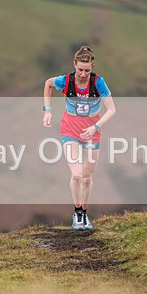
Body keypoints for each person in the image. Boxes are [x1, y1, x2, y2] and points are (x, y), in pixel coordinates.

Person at [42, 46, 116, 230]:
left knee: (87, 178)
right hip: (70, 132)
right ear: (74, 65)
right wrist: (47, 111)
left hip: (92, 133)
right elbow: (48, 84)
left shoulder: (98, 83)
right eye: (80, 69)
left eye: (87, 70)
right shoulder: (65, 81)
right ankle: (78, 213)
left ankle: (84, 211)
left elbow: (112, 110)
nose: (83, 74)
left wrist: (95, 127)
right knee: (76, 175)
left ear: (92, 68)